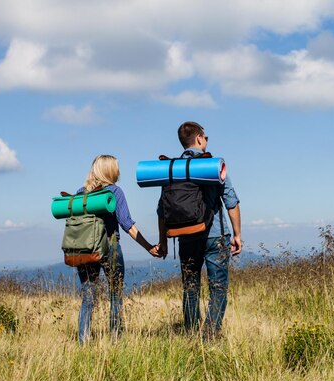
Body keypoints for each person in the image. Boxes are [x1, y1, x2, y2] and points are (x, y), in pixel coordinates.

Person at [158, 121, 241, 341]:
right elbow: (231, 201)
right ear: (199, 139)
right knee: (218, 287)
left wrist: (163, 241)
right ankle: (210, 334)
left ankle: (191, 335)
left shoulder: (171, 170)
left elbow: (162, 211)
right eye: (206, 137)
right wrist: (238, 235)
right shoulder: (212, 165)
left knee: (191, 287)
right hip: (215, 235)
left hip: (185, 236)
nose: (206, 141)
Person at [76, 155, 161, 344]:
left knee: (88, 296)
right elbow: (127, 224)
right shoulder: (114, 191)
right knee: (115, 294)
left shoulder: (81, 192)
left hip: (85, 250)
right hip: (109, 246)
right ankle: (116, 340)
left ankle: (83, 341)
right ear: (110, 170)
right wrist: (149, 247)